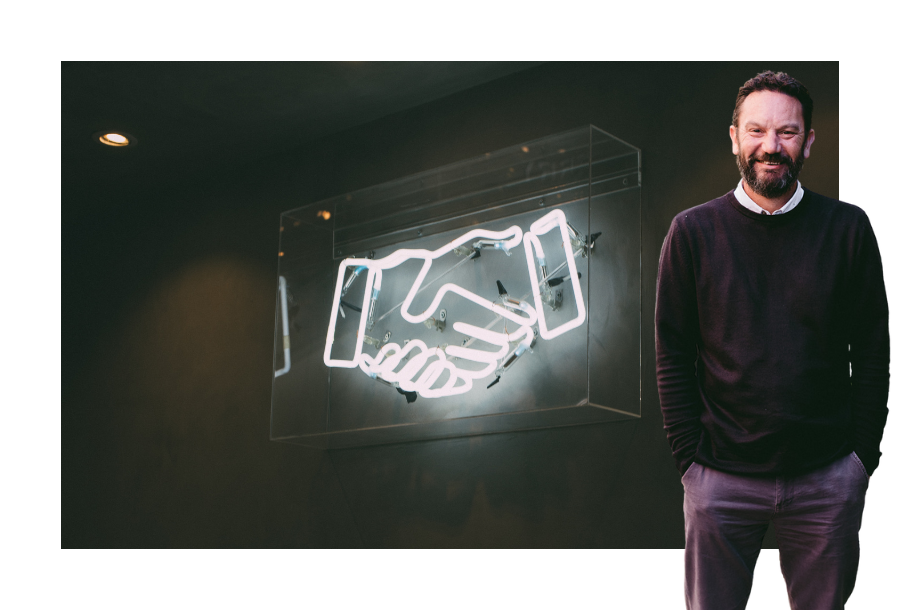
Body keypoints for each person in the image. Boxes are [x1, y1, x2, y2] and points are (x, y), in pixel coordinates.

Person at [655, 70, 890, 609]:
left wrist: (861, 458)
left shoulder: (848, 228)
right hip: (718, 477)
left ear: (808, 141)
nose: (771, 146)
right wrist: (689, 460)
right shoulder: (691, 232)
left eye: (787, 133)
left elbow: (873, 350)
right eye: (757, 131)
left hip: (827, 477)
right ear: (735, 136)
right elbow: (672, 351)